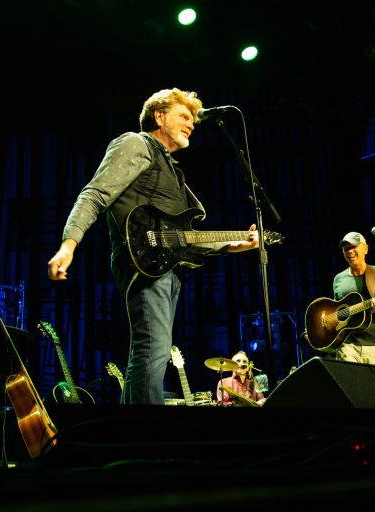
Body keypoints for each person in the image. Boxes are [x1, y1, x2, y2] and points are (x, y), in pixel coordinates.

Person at [47, 88, 259, 405]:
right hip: (142, 263)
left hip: (165, 269)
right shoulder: (136, 143)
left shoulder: (173, 170)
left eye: (193, 119)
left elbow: (185, 239)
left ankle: (130, 433)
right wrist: (69, 244)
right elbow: (95, 194)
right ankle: (149, 432)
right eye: (183, 116)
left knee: (148, 353)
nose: (192, 124)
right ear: (159, 117)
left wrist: (234, 245)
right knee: (154, 350)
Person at [331, 231, 375, 366]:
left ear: (366, 249)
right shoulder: (338, 279)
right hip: (347, 346)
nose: (349, 251)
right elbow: (337, 312)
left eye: (353, 246)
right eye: (346, 248)